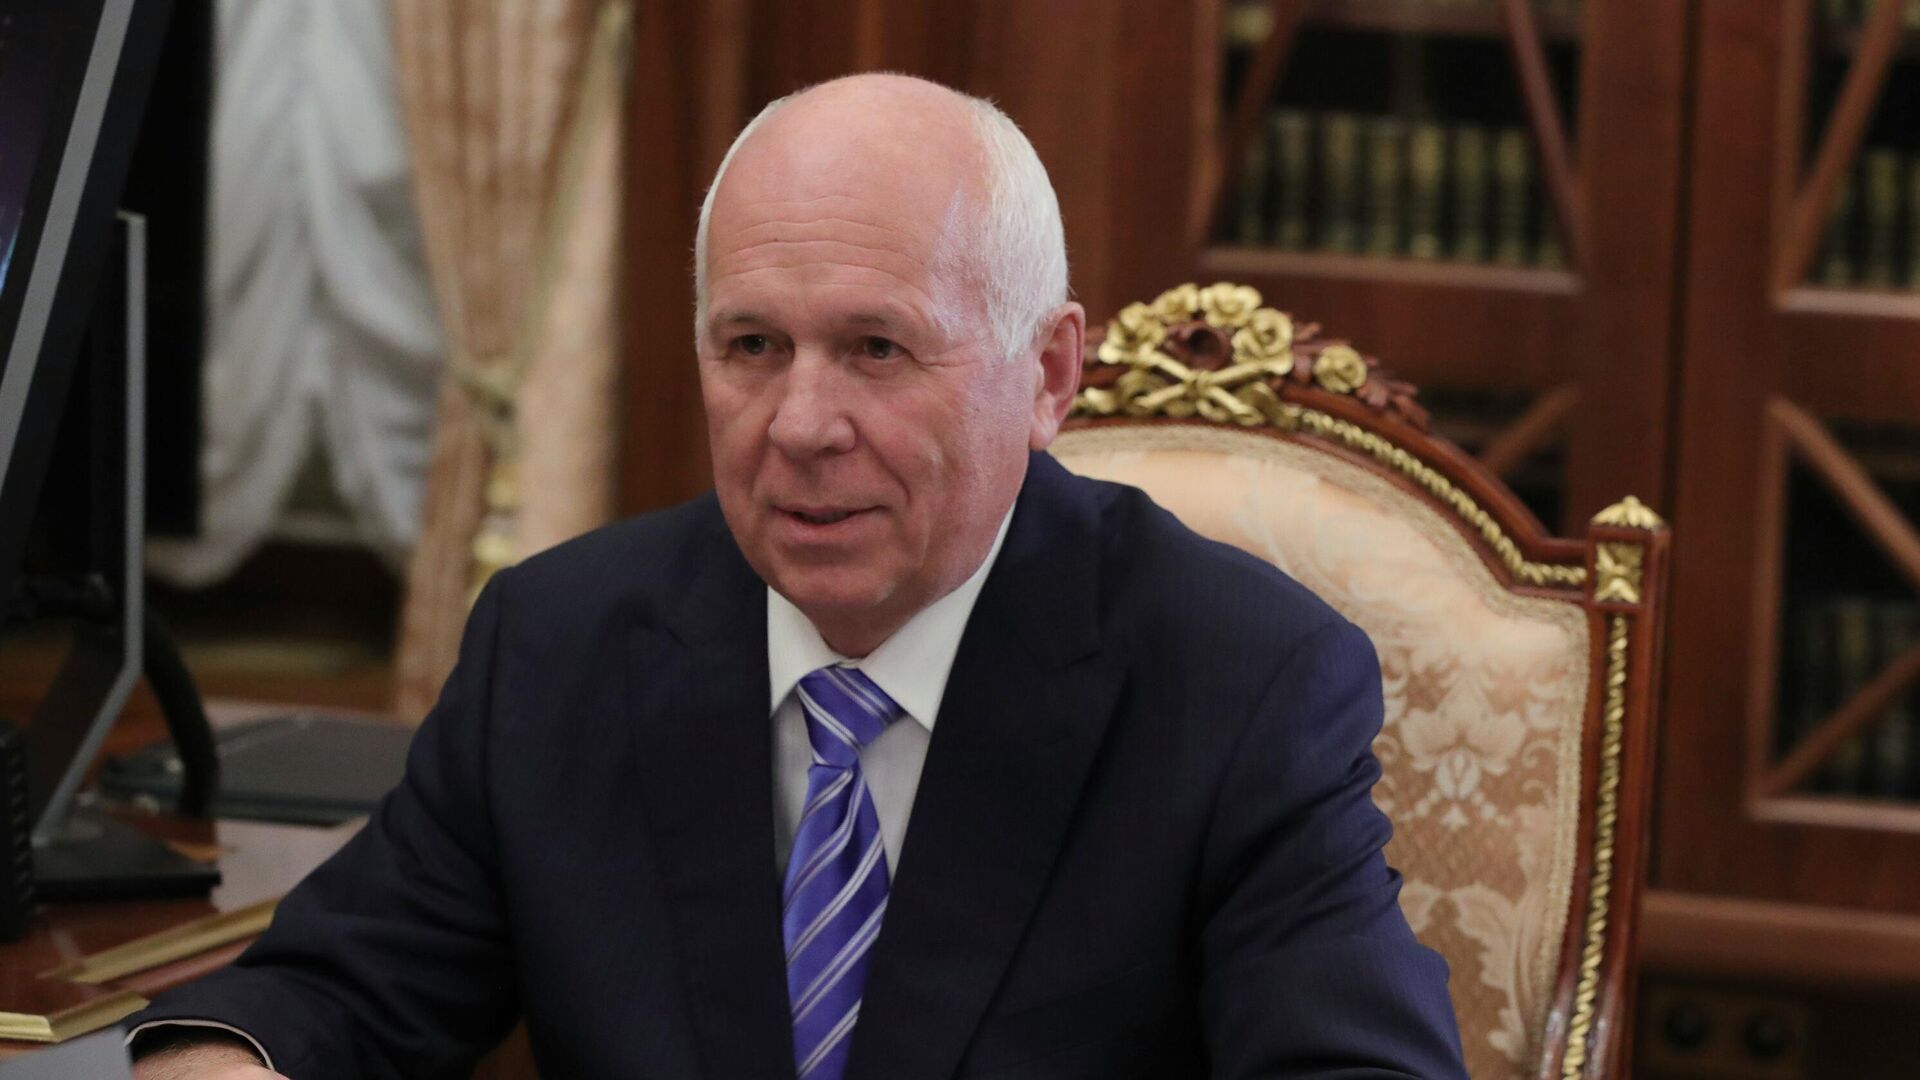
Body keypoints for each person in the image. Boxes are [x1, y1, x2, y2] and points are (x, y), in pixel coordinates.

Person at [127, 73, 1466, 1079]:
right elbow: (332, 997)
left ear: (1049, 374)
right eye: (752, 347)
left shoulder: (1237, 683)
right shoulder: (562, 642)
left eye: (878, 348)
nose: (801, 426)